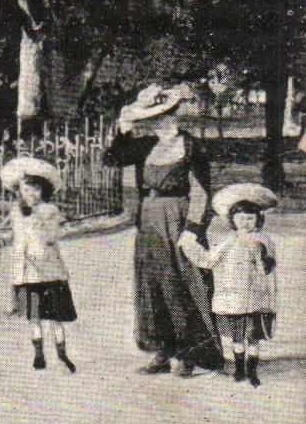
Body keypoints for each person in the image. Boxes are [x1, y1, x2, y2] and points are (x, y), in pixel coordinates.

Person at [103, 83, 226, 375]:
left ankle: (189, 352)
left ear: (172, 116)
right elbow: (112, 158)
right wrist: (123, 126)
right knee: (152, 283)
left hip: (179, 217)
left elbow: (201, 192)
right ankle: (160, 349)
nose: (153, 123)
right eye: (149, 118)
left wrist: (192, 229)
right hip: (150, 220)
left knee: (185, 282)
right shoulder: (145, 145)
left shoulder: (191, 145)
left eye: (159, 117)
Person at [178, 183, 279, 387]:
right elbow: (209, 260)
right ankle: (239, 368)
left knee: (253, 335)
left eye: (250, 219)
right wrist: (188, 244)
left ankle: (252, 371)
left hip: (255, 295)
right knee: (237, 334)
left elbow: (269, 266)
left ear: (258, 220)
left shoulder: (263, 241)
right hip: (232, 295)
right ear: (232, 220)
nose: (245, 223)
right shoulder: (227, 242)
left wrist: (264, 261)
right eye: (240, 219)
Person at [0, 157, 78, 371]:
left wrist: (43, 223)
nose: (31, 194)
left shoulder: (49, 210)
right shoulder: (16, 212)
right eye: (26, 189)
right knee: (34, 317)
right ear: (19, 191)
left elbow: (55, 234)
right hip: (27, 273)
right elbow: (13, 233)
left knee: (55, 317)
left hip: (49, 272)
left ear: (44, 191)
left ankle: (62, 355)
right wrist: (3, 240)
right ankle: (38, 354)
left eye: (36, 190)